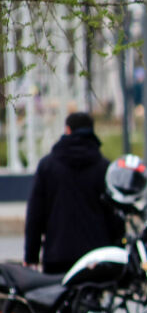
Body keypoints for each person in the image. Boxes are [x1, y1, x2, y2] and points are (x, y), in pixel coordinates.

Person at [24, 112, 125, 275]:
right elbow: (114, 216)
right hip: (96, 258)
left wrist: (31, 257)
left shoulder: (47, 166)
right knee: (92, 300)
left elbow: (35, 215)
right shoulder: (104, 168)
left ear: (67, 130)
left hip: (57, 255)